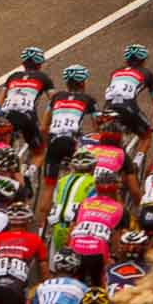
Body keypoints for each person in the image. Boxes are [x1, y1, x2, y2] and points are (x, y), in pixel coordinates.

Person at [38, 65, 96, 213]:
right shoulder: (88, 100)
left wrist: (45, 147)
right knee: (85, 175)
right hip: (72, 142)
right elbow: (97, 129)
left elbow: (44, 127)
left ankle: (41, 227)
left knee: (49, 186)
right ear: (83, 83)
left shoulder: (56, 97)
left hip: (53, 141)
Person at [67, 169, 130, 289]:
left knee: (74, 285)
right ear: (116, 188)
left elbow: (72, 228)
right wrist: (115, 257)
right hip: (98, 252)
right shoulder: (120, 209)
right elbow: (118, 238)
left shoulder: (84, 203)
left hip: (75, 249)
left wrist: (68, 249)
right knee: (100, 287)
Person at [103, 44, 153, 163]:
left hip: (108, 108)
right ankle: (136, 163)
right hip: (128, 107)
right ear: (144, 60)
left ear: (126, 59)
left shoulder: (116, 72)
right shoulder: (148, 74)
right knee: (146, 135)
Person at [0, 46, 55, 153]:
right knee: (39, 150)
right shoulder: (43, 77)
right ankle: (32, 168)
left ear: (23, 63)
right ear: (39, 64)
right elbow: (54, 101)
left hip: (6, 115)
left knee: (2, 148)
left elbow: (1, 100)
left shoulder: (13, 76)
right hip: (27, 116)